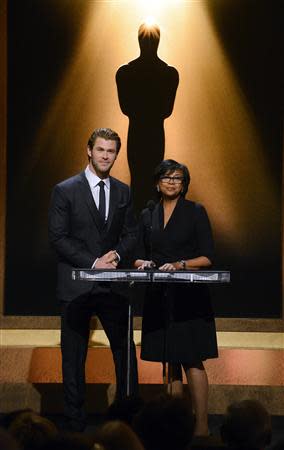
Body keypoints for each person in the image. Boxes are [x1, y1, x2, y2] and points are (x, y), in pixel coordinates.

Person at [48, 127, 138, 432]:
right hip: (76, 286)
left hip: (112, 286)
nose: (105, 156)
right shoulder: (65, 189)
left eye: (111, 151)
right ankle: (74, 421)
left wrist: (115, 255)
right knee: (73, 357)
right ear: (89, 151)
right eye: (100, 150)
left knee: (125, 355)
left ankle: (127, 418)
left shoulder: (124, 191)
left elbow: (131, 234)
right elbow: (58, 238)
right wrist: (92, 262)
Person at [133, 159, 218, 437]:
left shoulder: (195, 211)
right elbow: (138, 253)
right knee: (168, 360)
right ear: (157, 183)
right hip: (159, 295)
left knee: (191, 359)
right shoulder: (148, 214)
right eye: (166, 177)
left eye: (177, 178)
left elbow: (207, 257)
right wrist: (141, 262)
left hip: (189, 298)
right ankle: (175, 426)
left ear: (184, 185)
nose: (171, 181)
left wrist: (181, 264)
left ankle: (202, 426)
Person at [116, 22, 179, 213]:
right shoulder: (169, 74)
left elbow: (126, 108)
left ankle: (138, 230)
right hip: (154, 134)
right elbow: (166, 111)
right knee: (152, 182)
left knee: (138, 181)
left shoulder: (125, 73)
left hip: (137, 133)